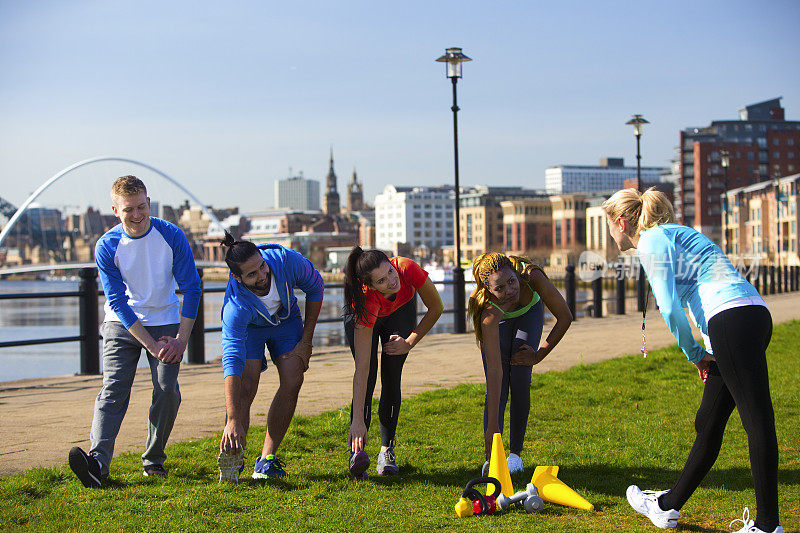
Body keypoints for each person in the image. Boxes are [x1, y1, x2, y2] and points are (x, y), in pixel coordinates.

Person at [603, 188, 783, 533]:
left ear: (621, 222)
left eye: (609, 224)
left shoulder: (651, 241)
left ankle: (768, 526)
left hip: (730, 321)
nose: (611, 232)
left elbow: (670, 309)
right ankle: (667, 506)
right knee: (709, 419)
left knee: (757, 420)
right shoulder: (677, 231)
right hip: (753, 316)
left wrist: (696, 355)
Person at [68, 175, 201, 488]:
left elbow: (192, 289)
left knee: (168, 390)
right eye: (129, 209)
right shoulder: (106, 246)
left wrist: (181, 340)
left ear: (149, 203)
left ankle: (153, 459)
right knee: (114, 388)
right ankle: (98, 464)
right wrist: (152, 347)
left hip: (165, 319)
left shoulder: (172, 235)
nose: (137, 214)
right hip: (122, 322)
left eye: (142, 206)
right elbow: (117, 300)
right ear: (116, 210)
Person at [217, 232, 323, 483]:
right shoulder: (235, 308)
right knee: (246, 384)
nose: (262, 276)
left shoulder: (286, 261)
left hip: (285, 320)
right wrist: (232, 419)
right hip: (251, 328)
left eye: (262, 266)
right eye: (252, 274)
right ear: (237, 277)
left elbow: (316, 288)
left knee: (293, 376)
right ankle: (233, 454)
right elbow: (231, 361)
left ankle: (266, 460)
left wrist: (306, 341)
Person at [467, 252, 572, 474]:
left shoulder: (530, 275)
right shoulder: (489, 312)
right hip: (502, 323)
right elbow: (494, 373)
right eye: (500, 288)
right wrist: (492, 428)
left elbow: (564, 316)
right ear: (488, 290)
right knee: (500, 387)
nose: (509, 291)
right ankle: (494, 455)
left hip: (528, 314)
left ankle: (515, 455)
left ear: (516, 274)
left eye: (511, 282)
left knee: (521, 375)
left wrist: (538, 355)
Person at [343, 247, 443, 478]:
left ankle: (387, 451)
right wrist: (357, 420)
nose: (391, 280)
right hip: (369, 317)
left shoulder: (407, 268)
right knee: (368, 377)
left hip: (400, 312)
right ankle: (357, 453)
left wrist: (409, 342)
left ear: (391, 263)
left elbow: (436, 307)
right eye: (382, 280)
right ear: (370, 285)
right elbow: (361, 369)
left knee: (392, 374)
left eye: (390, 271)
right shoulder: (366, 301)